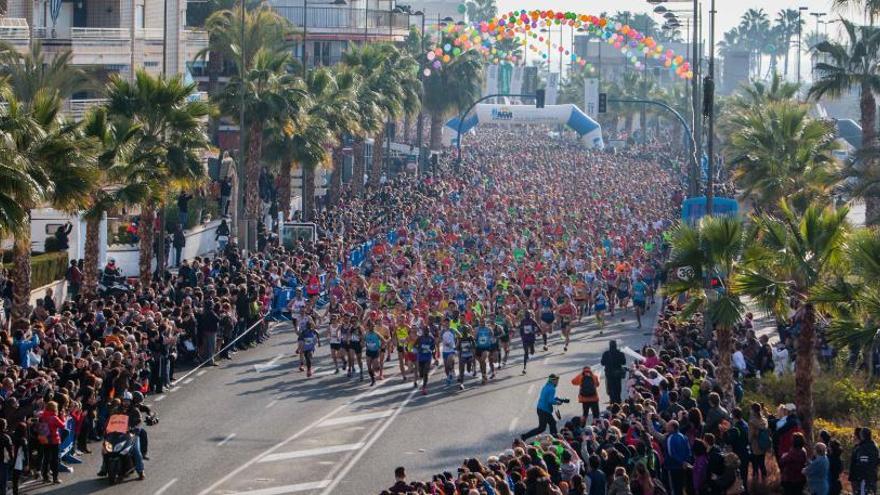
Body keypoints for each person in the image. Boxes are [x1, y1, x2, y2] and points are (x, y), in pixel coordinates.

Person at [521, 374, 568, 440]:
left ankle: (554, 438)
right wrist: (558, 402)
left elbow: (548, 397)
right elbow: (550, 400)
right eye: (557, 381)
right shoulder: (552, 389)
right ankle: (524, 436)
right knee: (542, 428)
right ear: (553, 381)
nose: (558, 382)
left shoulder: (546, 386)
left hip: (540, 408)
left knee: (552, 423)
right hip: (544, 410)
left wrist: (556, 399)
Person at [37, 401, 65, 484]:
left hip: (45, 439)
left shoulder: (42, 416)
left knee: (46, 458)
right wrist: (62, 417)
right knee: (55, 459)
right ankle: (55, 478)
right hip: (54, 440)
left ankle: (45, 477)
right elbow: (63, 425)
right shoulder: (54, 417)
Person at [850, 427, 880, 495]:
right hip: (873, 478)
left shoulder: (862, 448)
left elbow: (862, 465)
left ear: (862, 436)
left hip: (864, 480)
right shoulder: (875, 447)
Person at [747, 402, 770, 481]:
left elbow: (750, 435)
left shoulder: (752, 421)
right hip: (763, 445)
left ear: (753, 410)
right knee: (762, 464)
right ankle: (764, 480)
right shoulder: (764, 420)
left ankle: (755, 482)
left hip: (755, 445)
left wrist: (748, 442)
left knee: (755, 465)